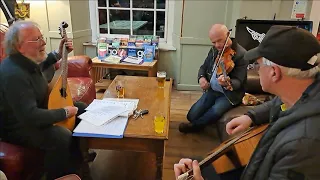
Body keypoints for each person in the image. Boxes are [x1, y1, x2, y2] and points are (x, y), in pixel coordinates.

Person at [174, 25, 320, 179]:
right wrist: (250, 116)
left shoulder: (303, 146)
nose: (256, 69)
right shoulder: (300, 94)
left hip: (230, 96)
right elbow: (276, 103)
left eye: (258, 64)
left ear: (274, 72)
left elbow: (239, 82)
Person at [0, 20, 92, 180]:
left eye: (42, 37)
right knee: (60, 136)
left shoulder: (24, 62)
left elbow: (41, 66)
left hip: (36, 111)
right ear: (19, 46)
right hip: (18, 126)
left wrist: (58, 52)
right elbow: (30, 117)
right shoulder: (13, 74)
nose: (43, 42)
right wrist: (64, 112)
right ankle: (57, 175)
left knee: (81, 109)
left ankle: (77, 162)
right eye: (37, 40)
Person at [179, 24, 248, 133]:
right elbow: (203, 67)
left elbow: (239, 81)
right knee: (191, 116)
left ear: (228, 34)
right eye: (213, 42)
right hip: (212, 90)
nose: (217, 45)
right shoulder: (214, 50)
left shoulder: (241, 54)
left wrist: (227, 83)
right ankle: (199, 121)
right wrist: (201, 78)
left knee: (215, 111)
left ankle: (195, 127)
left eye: (220, 41)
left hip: (228, 95)